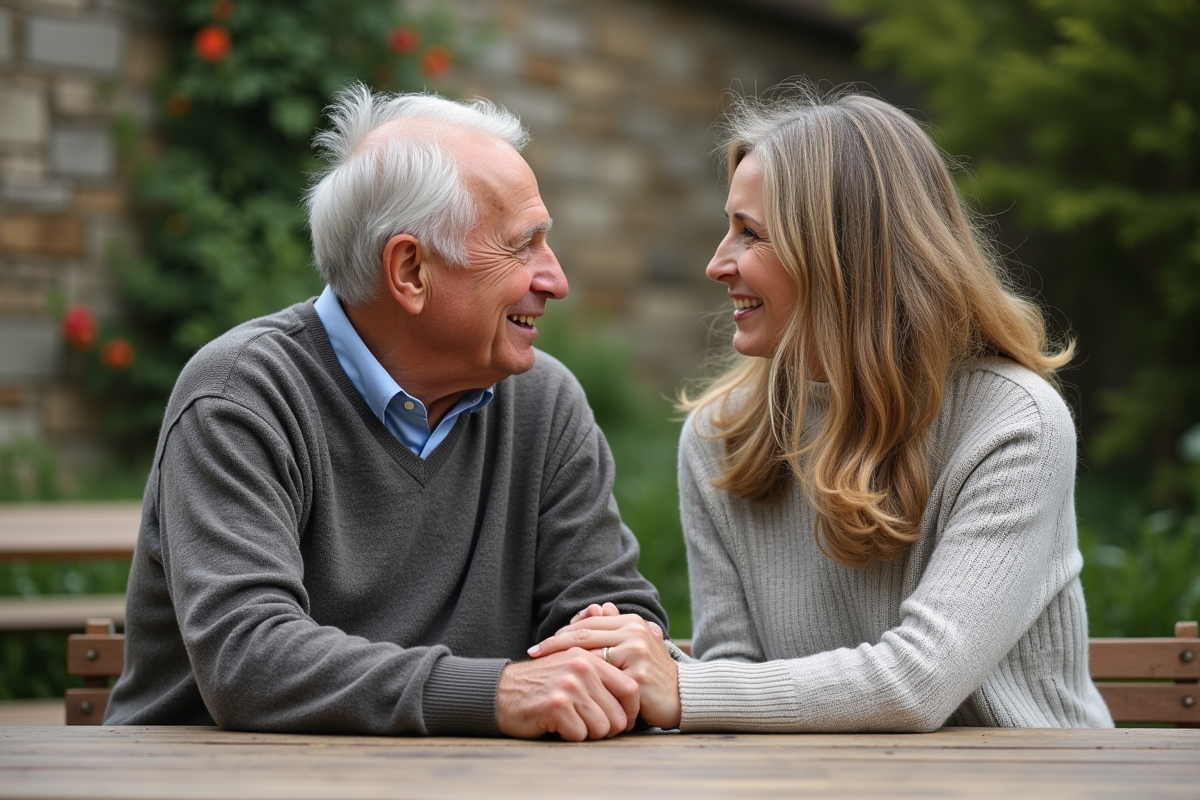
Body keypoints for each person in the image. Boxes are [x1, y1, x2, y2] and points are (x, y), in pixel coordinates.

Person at [530, 83, 1114, 731]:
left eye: (749, 234)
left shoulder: (1012, 422)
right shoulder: (721, 436)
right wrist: (625, 657)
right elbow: (736, 681)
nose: (716, 264)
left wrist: (680, 685)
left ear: (842, 257)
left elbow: (918, 683)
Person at [104, 83, 668, 741]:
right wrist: (495, 692)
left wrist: (613, 649)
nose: (556, 280)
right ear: (410, 271)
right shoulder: (241, 395)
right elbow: (248, 659)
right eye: (524, 246)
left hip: (466, 782)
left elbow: (611, 607)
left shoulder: (544, 402)